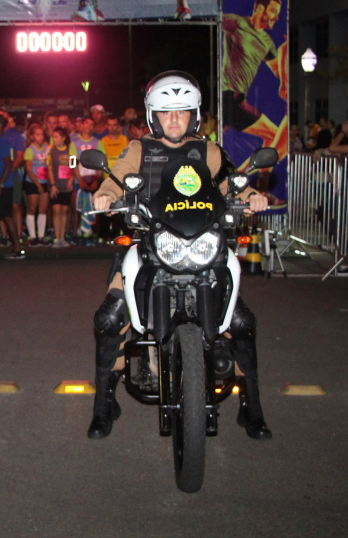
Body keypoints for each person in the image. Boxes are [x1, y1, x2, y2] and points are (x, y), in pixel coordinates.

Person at [88, 71, 272, 441]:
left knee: (242, 322)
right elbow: (116, 177)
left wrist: (250, 196)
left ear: (195, 115)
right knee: (110, 318)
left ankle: (251, 407)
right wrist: (106, 194)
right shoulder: (139, 149)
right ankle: (104, 404)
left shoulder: (209, 151)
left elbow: (231, 182)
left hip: (202, 245)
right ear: (153, 116)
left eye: (183, 112)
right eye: (167, 112)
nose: (175, 120)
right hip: (149, 244)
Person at [221, 0, 288, 165]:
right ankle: (248, 175)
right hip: (228, 96)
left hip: (238, 100)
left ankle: (249, 176)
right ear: (259, 9)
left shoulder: (267, 41)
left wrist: (285, 51)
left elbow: (279, 72)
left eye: (278, 13)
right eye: (273, 11)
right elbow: (213, 21)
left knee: (275, 139)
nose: (277, 17)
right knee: (277, 138)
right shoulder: (238, 23)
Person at [0, 113, 25, 260]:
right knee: (2, 217)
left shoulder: (2, 141)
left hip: (1, 185)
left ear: (0, 125)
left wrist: (0, 185)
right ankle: (14, 249)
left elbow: (8, 165)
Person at [46, 127, 77, 247]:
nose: (54, 139)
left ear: (63, 138)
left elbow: (73, 165)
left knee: (64, 211)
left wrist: (72, 179)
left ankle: (62, 237)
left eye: (57, 137)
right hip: (56, 185)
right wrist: (53, 185)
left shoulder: (70, 148)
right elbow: (49, 168)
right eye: (53, 137)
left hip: (66, 184)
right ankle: (57, 237)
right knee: (56, 210)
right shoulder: (51, 150)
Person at [23, 123, 50, 246]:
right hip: (32, 182)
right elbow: (29, 170)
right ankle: (33, 236)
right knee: (32, 209)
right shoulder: (29, 150)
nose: (41, 137)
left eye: (42, 134)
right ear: (32, 136)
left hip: (45, 181)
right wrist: (38, 184)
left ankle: (41, 236)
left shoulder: (46, 147)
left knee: (43, 210)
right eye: (38, 135)